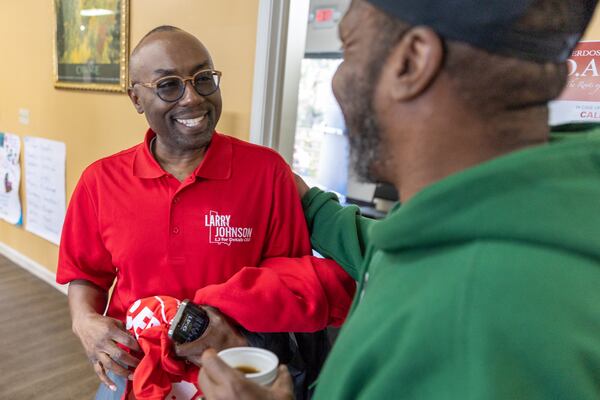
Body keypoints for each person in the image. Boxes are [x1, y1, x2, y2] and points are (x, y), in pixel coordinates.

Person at [191, 0, 600, 399]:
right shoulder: (492, 207)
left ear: (412, 61)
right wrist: (312, 205)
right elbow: (395, 249)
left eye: (348, 47)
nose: (338, 81)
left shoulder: (472, 323)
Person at [56, 26, 354, 400]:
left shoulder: (267, 172)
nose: (193, 98)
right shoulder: (100, 181)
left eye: (203, 79)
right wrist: (83, 322)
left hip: (233, 373)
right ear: (136, 98)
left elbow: (293, 282)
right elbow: (86, 275)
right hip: (134, 372)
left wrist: (228, 329)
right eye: (168, 86)